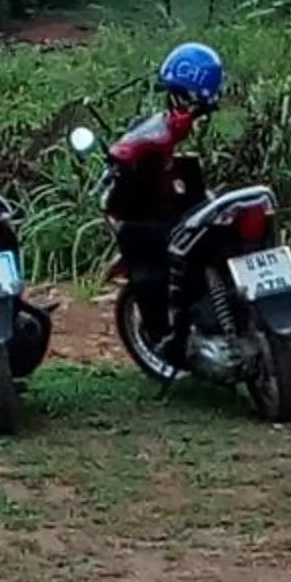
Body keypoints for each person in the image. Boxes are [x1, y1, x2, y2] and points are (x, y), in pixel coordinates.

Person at [103, 40, 225, 359]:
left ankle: (167, 333)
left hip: (170, 214)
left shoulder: (170, 126)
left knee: (135, 238)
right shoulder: (185, 123)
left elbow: (128, 148)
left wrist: (120, 156)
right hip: (196, 205)